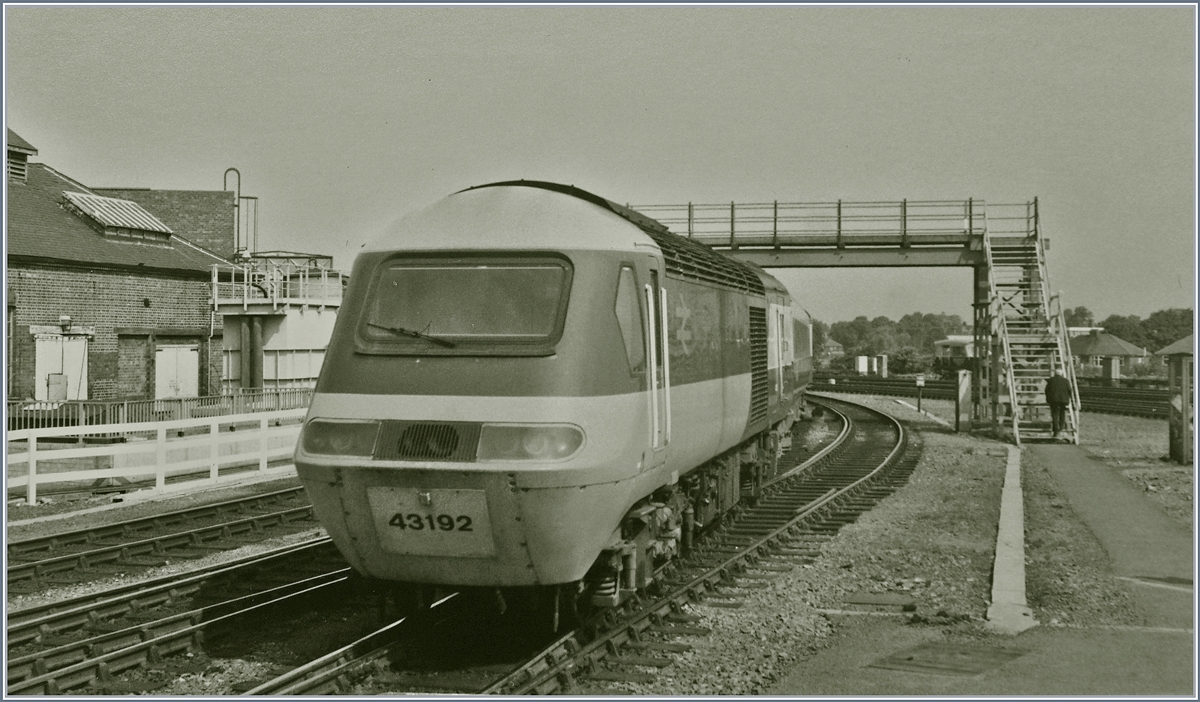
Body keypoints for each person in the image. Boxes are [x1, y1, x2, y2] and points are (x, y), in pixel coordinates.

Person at [1045, 370, 1073, 439]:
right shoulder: (1066, 381)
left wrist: (1048, 399)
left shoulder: (1051, 380)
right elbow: (1070, 390)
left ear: (1055, 374)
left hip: (1053, 400)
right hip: (1063, 400)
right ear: (1062, 374)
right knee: (1062, 413)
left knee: (1055, 414)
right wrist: (1069, 399)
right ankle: (1061, 427)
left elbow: (1047, 390)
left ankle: (1055, 430)